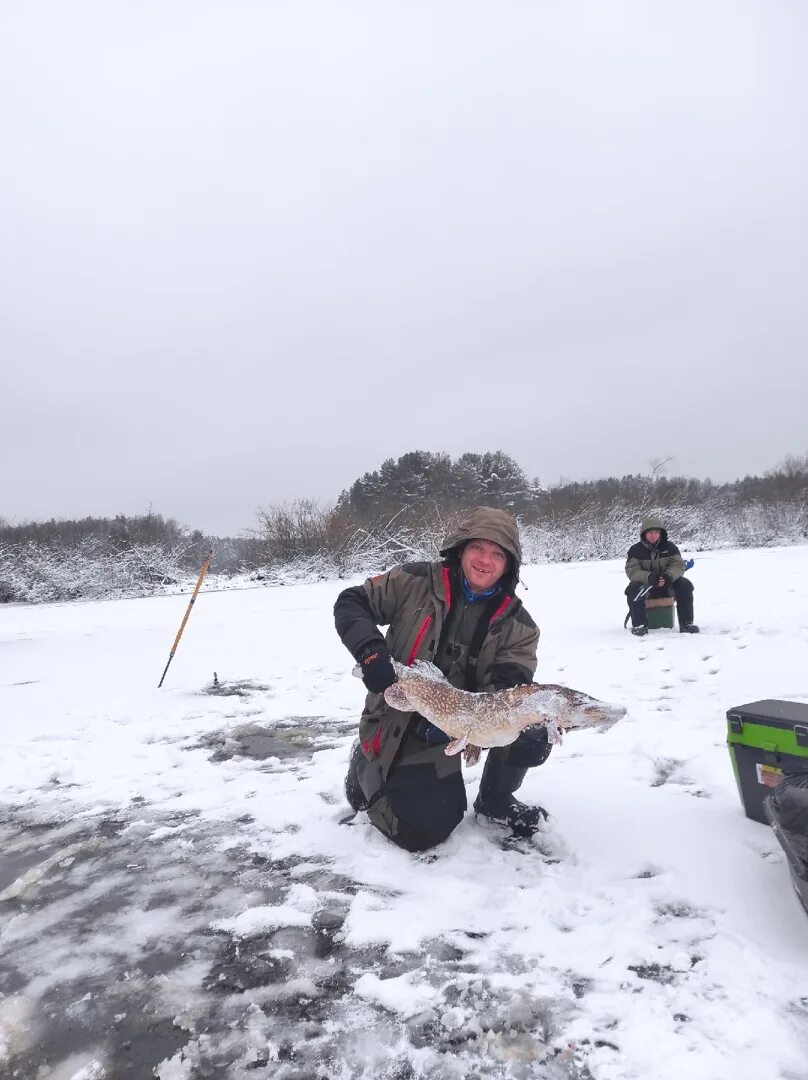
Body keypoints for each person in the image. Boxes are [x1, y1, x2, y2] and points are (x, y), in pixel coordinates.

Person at [333, 507, 551, 852]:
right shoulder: (414, 581)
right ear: (461, 549)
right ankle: (366, 766)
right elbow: (350, 603)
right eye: (478, 548)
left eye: (498, 554)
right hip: (396, 718)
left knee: (535, 729)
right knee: (422, 834)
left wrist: (468, 727)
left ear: (509, 565)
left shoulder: (520, 626)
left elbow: (507, 688)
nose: (485, 560)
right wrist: (370, 652)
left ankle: (495, 800)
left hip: (450, 727)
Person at [625, 516, 698, 636]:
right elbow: (632, 571)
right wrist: (649, 577)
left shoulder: (671, 547)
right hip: (647, 586)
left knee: (685, 585)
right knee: (633, 589)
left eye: (656, 532)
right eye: (650, 533)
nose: (653, 535)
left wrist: (669, 576)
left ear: (661, 533)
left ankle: (686, 624)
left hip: (668, 585)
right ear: (644, 534)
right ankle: (639, 625)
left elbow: (678, 565)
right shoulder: (635, 550)